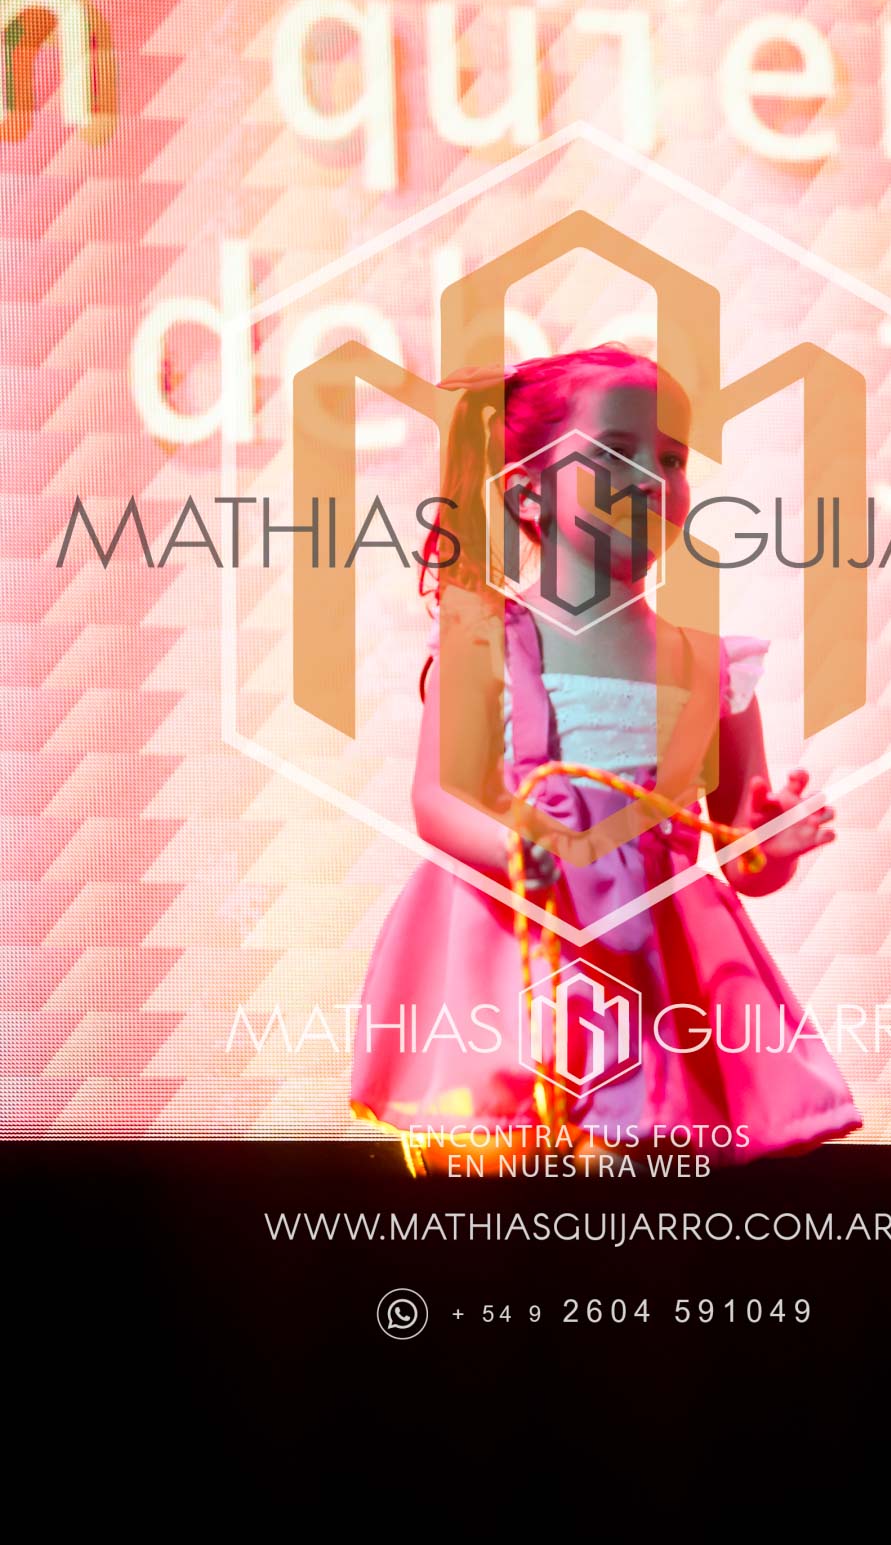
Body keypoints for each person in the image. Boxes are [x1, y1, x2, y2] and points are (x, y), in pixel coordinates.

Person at [349, 343, 862, 1173]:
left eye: (671, 458)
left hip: (657, 968)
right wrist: (514, 847)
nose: (652, 479)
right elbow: (436, 798)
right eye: (617, 452)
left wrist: (767, 843)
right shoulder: (482, 641)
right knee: (502, 1164)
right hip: (513, 943)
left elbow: (738, 856)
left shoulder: (712, 667)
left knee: (641, 1167)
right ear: (527, 492)